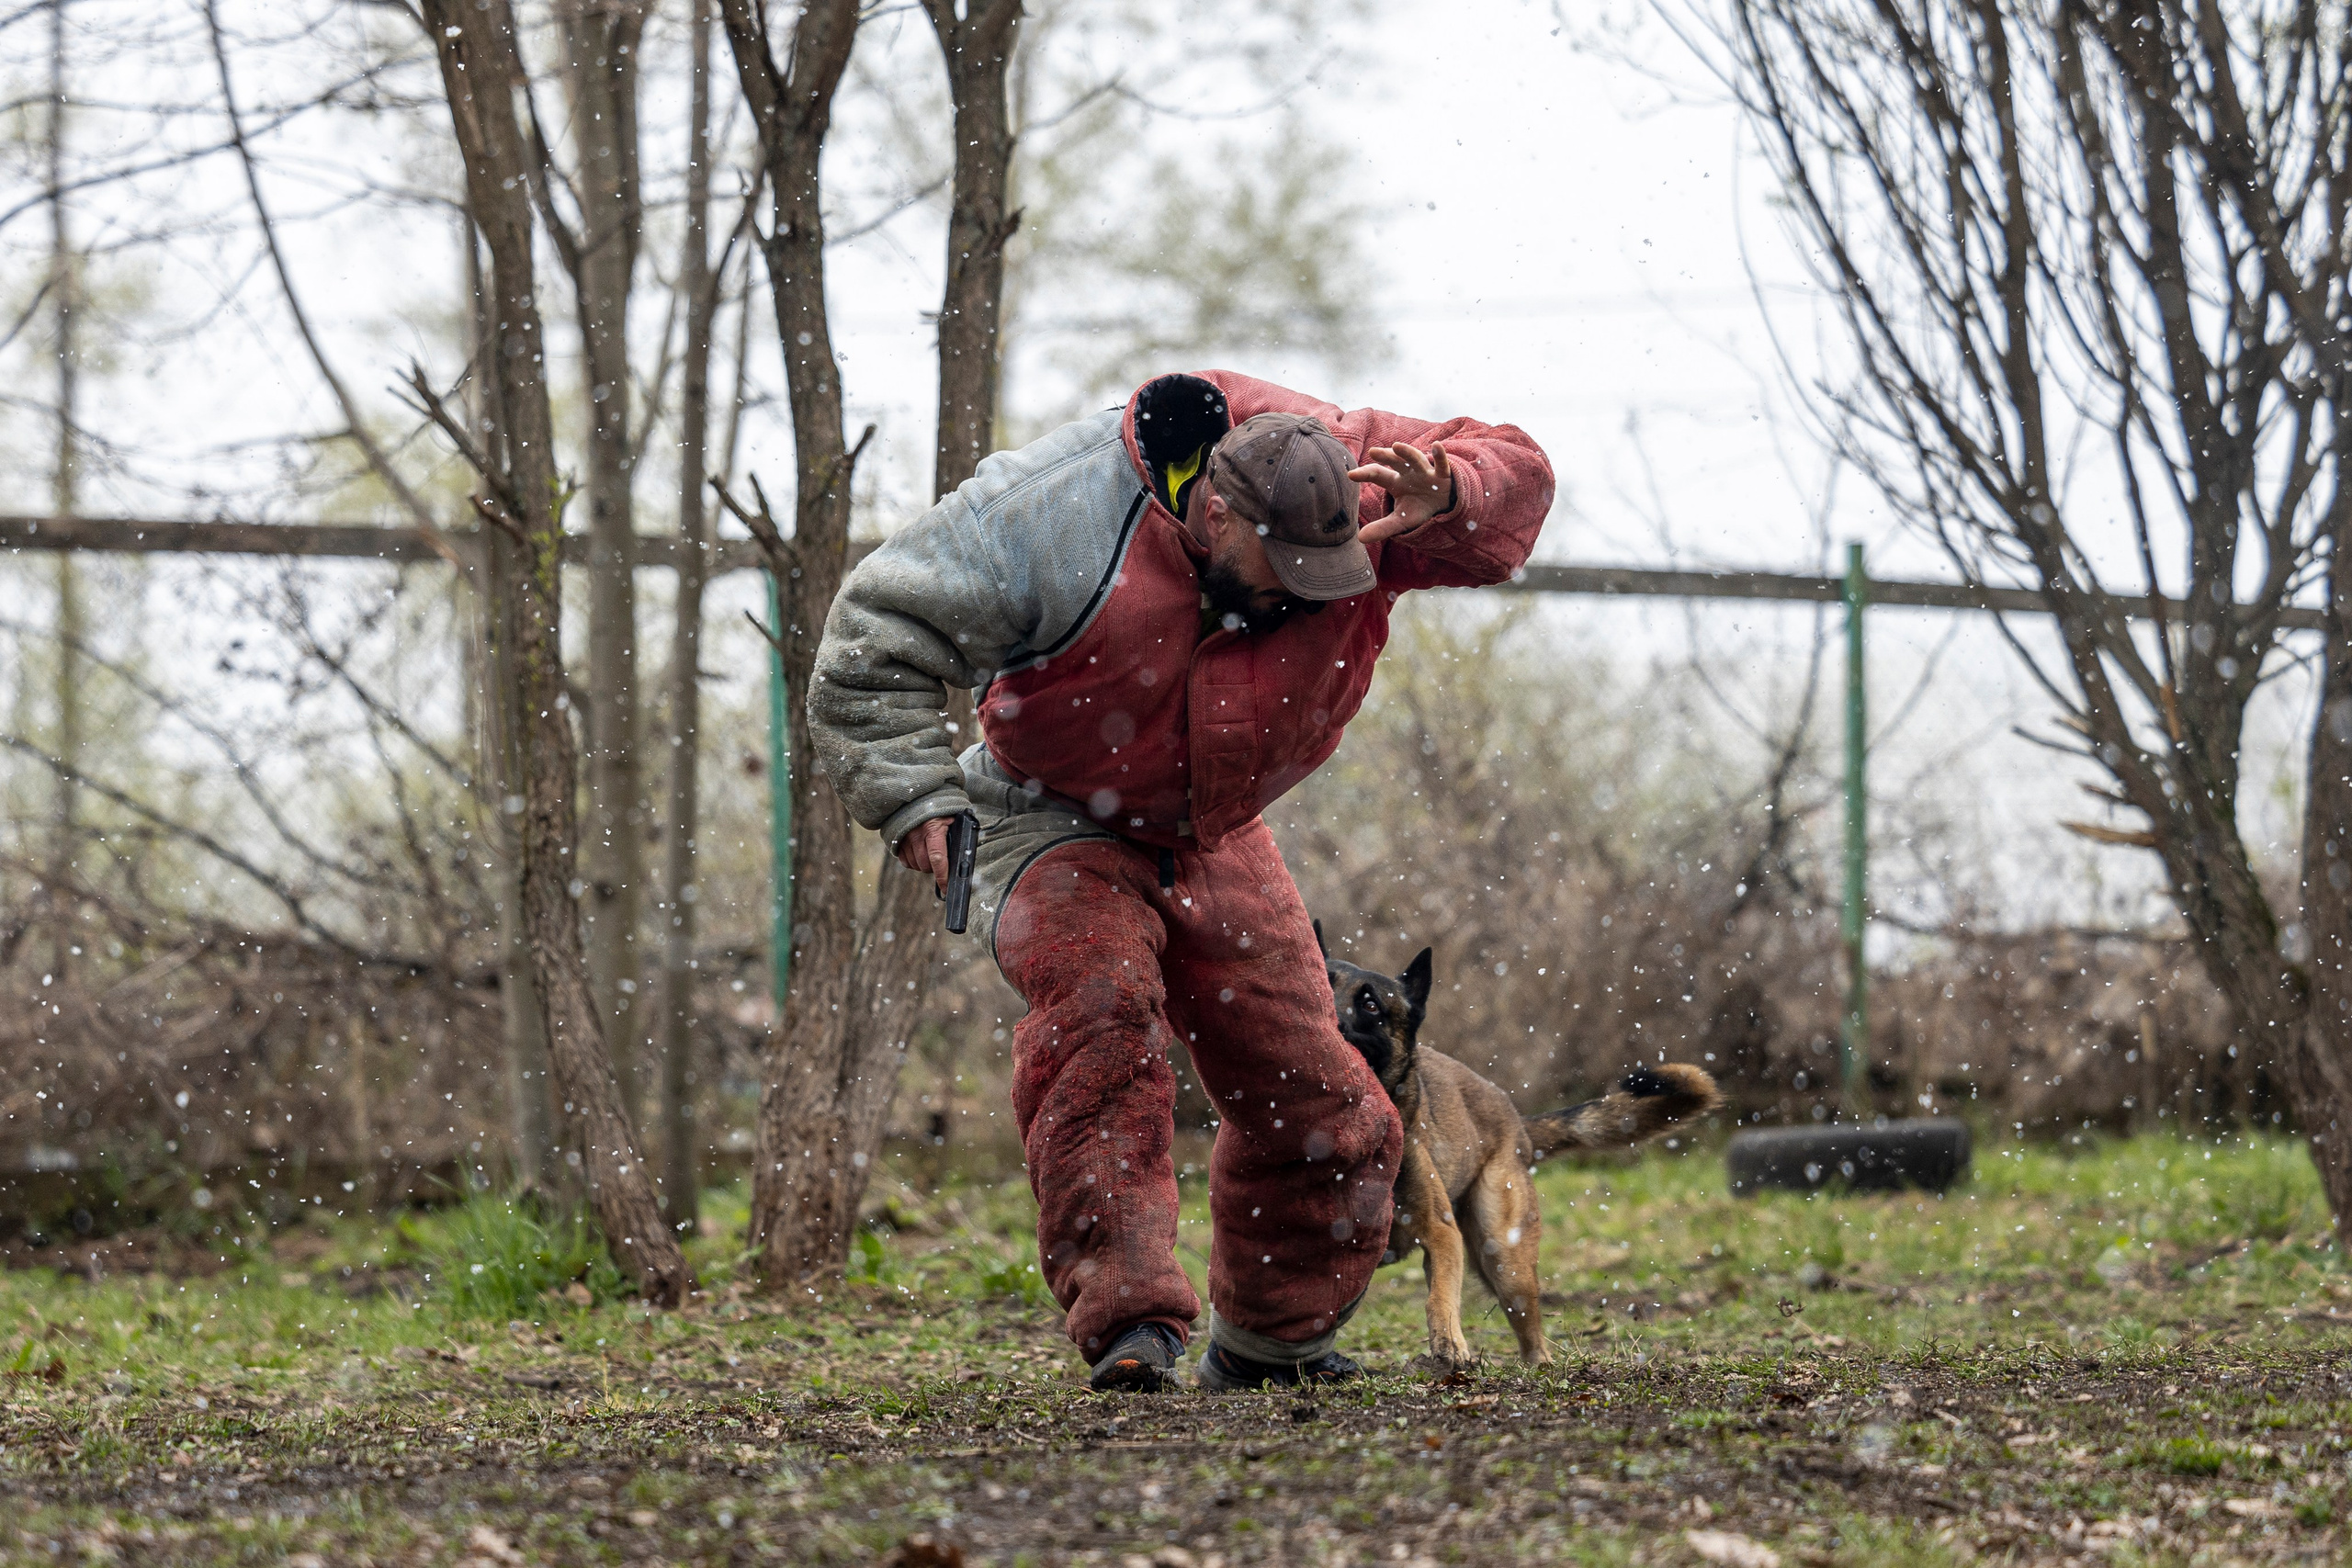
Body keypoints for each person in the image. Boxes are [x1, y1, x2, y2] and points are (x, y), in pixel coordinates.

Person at [808, 370, 1555, 1391]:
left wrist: (1457, 496)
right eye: (1282, 565)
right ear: (1213, 506)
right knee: (1102, 1017)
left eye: (1324, 567)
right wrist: (915, 801)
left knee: (1320, 1081)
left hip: (1211, 825)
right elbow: (871, 640)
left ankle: (1272, 1344)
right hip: (1047, 808)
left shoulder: (1363, 478)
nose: (1305, 586)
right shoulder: (1049, 517)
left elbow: (1517, 475)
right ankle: (1130, 1328)